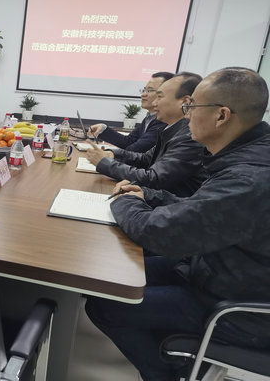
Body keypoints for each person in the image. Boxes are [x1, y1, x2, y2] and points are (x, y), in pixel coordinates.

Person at [85, 67, 270, 381]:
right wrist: (148, 194)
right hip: (214, 270)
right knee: (112, 277)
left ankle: (165, 375)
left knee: (107, 305)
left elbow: (157, 232)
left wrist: (123, 200)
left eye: (192, 107)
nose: (187, 115)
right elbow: (202, 209)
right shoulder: (245, 157)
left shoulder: (247, 178)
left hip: (235, 307)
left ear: (221, 115)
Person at [85, 72, 206, 197]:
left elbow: (154, 178)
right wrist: (113, 154)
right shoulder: (172, 129)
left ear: (185, 101)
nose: (154, 103)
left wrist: (105, 163)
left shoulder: (189, 136)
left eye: (159, 97)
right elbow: (145, 159)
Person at [88, 72, 173, 152]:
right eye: (144, 90)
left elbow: (135, 150)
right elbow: (129, 141)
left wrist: (109, 154)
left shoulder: (163, 121)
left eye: (150, 90)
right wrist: (103, 129)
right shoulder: (149, 118)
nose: (143, 94)